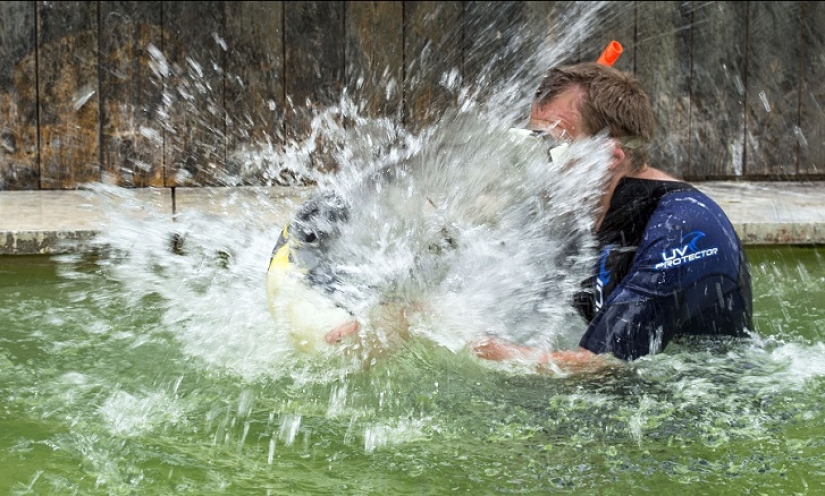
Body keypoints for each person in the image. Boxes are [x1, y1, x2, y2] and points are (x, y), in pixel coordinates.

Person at [471, 62, 753, 368]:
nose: (536, 166)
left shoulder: (684, 227)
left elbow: (598, 366)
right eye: (530, 143)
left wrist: (464, 344)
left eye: (552, 147)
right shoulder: (574, 219)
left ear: (608, 158)